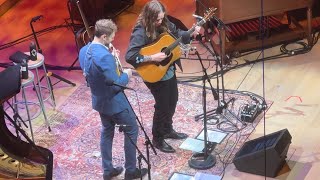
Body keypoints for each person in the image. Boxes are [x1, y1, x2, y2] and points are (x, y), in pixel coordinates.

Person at [125, 1, 201, 153]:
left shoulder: (164, 21)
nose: (160, 22)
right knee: (162, 106)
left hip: (168, 69)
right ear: (149, 17)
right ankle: (158, 138)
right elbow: (130, 56)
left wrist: (190, 33)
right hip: (153, 73)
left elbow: (176, 34)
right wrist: (152, 57)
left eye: (161, 18)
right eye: (157, 20)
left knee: (173, 100)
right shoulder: (141, 30)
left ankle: (167, 129)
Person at [79, 19, 147, 180]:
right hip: (115, 103)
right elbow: (117, 84)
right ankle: (131, 171)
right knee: (131, 130)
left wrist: (110, 54)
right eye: (111, 38)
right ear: (103, 36)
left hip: (99, 101)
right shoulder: (104, 57)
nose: (113, 40)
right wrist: (126, 75)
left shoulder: (84, 50)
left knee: (107, 132)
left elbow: (95, 73)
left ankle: (107, 170)